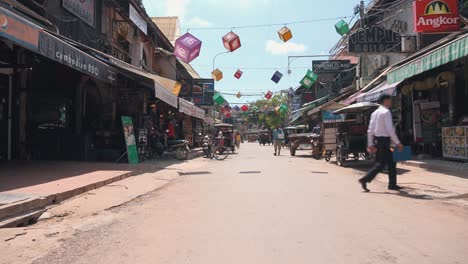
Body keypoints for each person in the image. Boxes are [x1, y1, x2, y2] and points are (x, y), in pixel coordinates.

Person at [359, 94, 404, 192]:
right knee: (382, 164)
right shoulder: (386, 112)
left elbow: (370, 130)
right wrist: (398, 143)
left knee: (390, 162)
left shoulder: (374, 113)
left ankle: (392, 184)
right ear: (385, 101)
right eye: (390, 100)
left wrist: (370, 143)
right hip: (384, 141)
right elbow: (390, 130)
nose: (391, 102)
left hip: (377, 141)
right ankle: (365, 179)